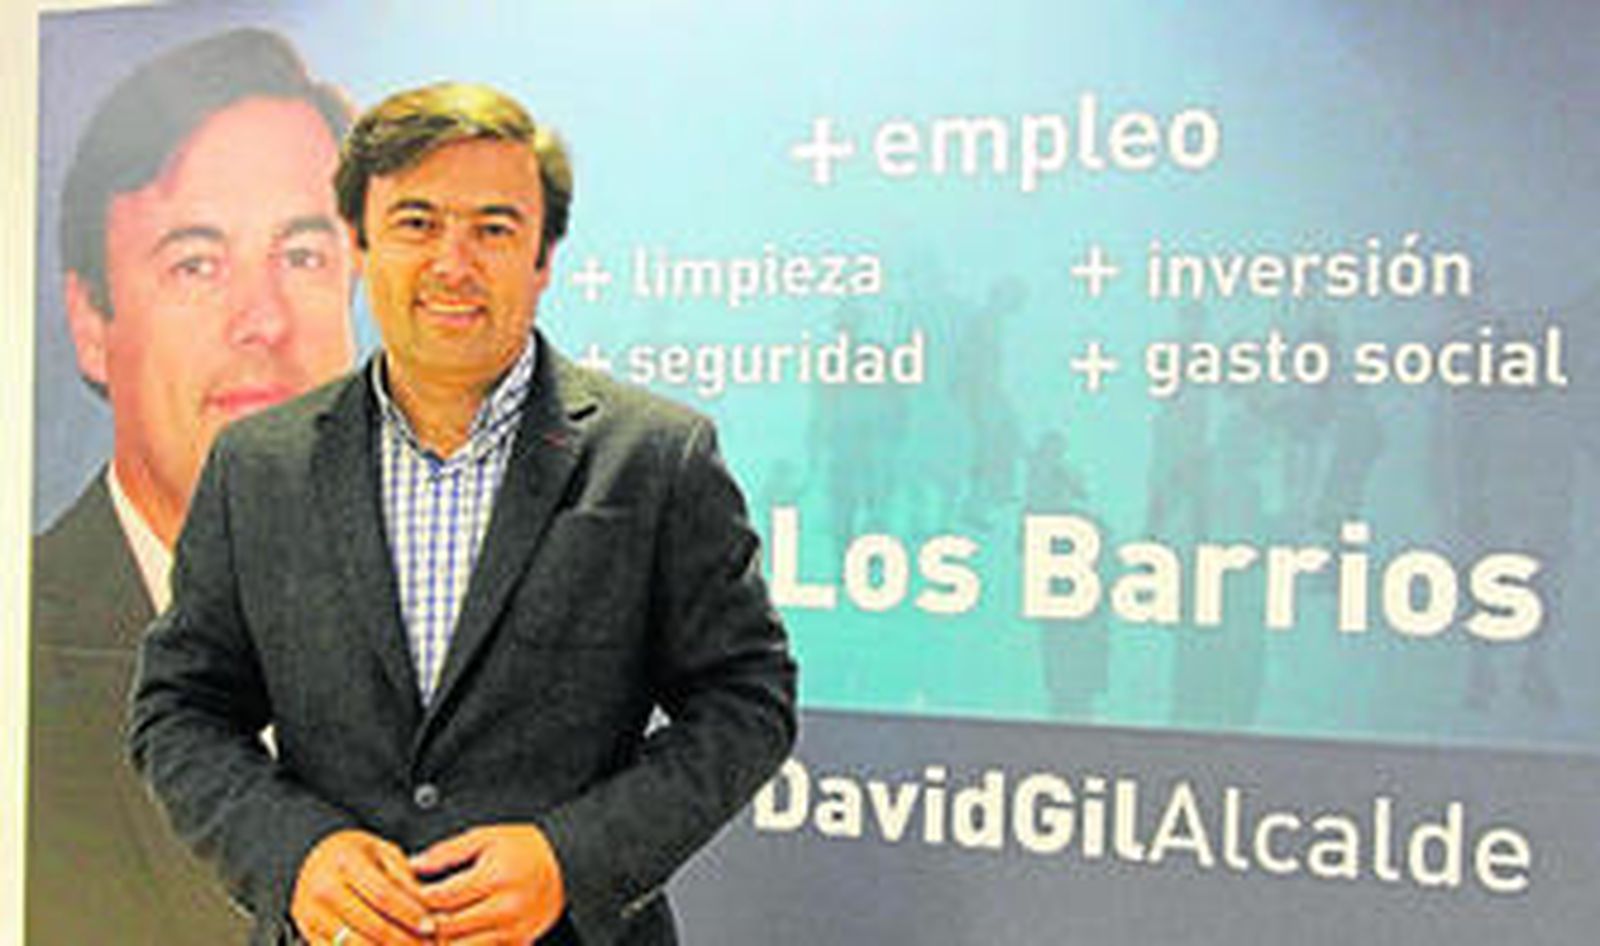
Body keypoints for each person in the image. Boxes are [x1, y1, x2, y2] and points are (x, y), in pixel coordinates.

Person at [129, 81, 798, 945]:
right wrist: (295, 858)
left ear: (542, 259)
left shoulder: (657, 458)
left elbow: (747, 700)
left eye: (493, 228)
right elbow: (180, 710)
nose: (453, 263)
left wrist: (571, 860)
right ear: (360, 244)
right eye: (416, 223)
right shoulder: (257, 466)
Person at [29, 28, 358, 944]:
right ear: (91, 323)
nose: (264, 320)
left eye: (303, 256)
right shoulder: (23, 647)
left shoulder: (456, 627)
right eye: (196, 264)